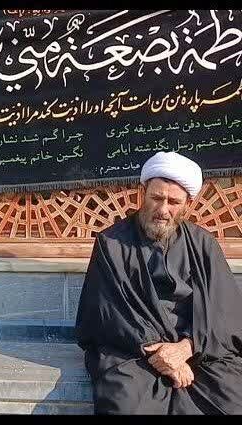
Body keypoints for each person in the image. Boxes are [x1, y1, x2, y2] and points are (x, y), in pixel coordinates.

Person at [76, 151, 242, 414]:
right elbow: (109, 314)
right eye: (156, 198)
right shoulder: (111, 243)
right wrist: (160, 353)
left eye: (173, 202)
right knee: (126, 403)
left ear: (188, 204)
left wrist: (187, 347)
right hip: (135, 351)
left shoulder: (204, 244)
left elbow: (226, 313)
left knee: (231, 399)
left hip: (197, 350)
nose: (163, 210)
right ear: (142, 193)